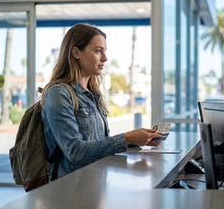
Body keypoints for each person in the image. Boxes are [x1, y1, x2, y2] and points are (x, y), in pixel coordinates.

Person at [41, 23, 162, 180]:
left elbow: (98, 145)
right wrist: (127, 138)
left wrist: (137, 139)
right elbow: (75, 151)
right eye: (98, 51)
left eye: (104, 51)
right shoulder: (58, 94)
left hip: (94, 182)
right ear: (76, 52)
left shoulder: (93, 95)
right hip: (70, 187)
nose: (105, 58)